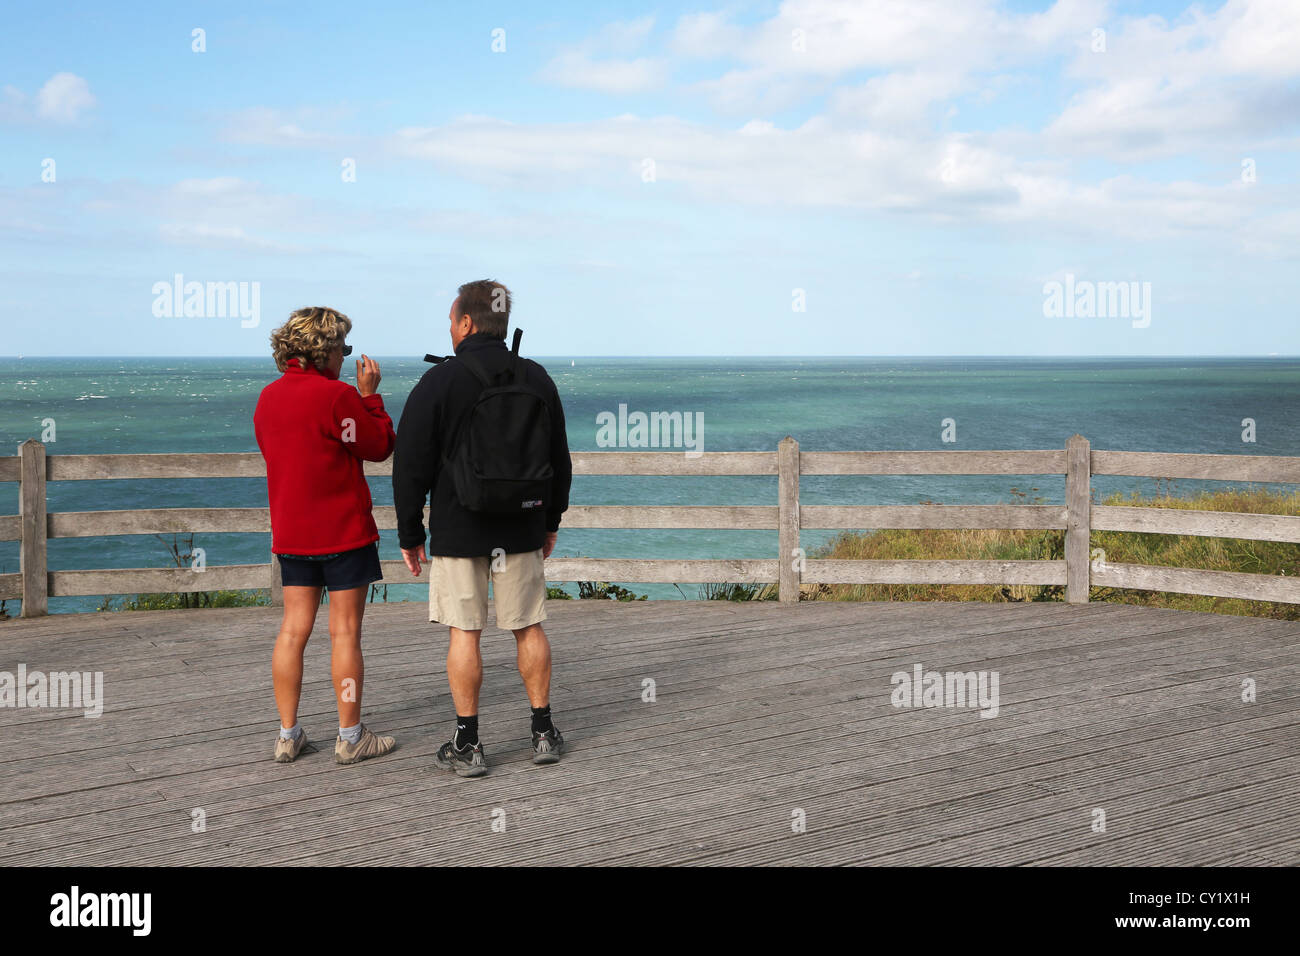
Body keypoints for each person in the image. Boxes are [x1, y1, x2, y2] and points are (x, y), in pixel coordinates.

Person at [393, 280, 572, 778]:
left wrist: (411, 534)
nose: (450, 330)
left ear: (467, 323)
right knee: (528, 626)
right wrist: (550, 520)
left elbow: (410, 464)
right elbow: (560, 458)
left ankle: (468, 745)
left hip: (458, 527)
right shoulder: (536, 378)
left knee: (464, 633)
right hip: (521, 525)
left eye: (452, 321)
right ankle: (542, 733)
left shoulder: (439, 383)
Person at [253, 306, 398, 765]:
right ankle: (350, 736)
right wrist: (370, 397)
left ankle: (287, 734)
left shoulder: (267, 399)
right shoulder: (336, 397)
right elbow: (377, 446)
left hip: (292, 536)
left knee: (292, 632)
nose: (346, 357)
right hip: (343, 534)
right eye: (344, 348)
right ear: (326, 350)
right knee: (345, 633)